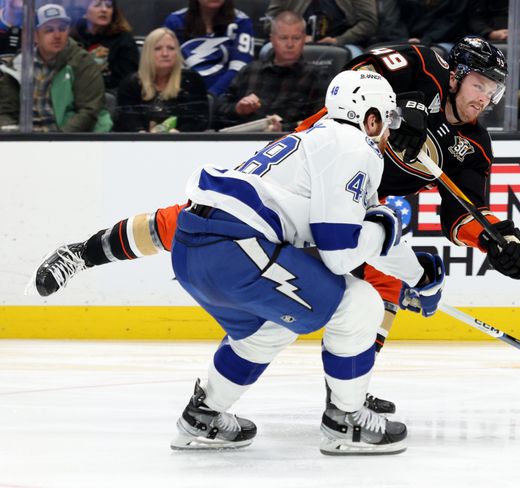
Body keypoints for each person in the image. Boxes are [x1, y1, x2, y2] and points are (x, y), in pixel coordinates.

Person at [34, 36, 520, 414]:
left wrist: (497, 241)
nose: (485, 100)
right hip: (313, 163)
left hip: (359, 198)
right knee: (193, 219)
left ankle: (348, 391)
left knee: (379, 283)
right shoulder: (421, 63)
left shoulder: (473, 144)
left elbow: (463, 215)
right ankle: (83, 251)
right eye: (480, 86)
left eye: (493, 93)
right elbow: (355, 80)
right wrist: (402, 113)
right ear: (457, 74)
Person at [168, 70, 444, 454]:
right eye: (387, 119)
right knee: (360, 303)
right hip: (236, 248)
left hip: (196, 251)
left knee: (270, 329)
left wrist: (418, 275)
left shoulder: (318, 141)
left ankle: (202, 416)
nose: (388, 133)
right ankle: (345, 422)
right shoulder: (353, 146)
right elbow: (341, 254)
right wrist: (385, 227)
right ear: (370, 117)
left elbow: (364, 229)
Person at [0, 3, 112, 132]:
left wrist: (57, 141)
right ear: (35, 36)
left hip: (67, 140)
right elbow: (5, 111)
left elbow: (88, 111)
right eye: (49, 30)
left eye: (62, 28)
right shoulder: (19, 64)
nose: (57, 35)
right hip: (27, 142)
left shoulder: (82, 61)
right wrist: (15, 138)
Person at [215, 11, 328, 131]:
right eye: (283, 38)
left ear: (304, 39)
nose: (290, 44)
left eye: (296, 38)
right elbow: (217, 115)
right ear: (272, 39)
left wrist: (284, 128)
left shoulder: (317, 77)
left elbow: (321, 123)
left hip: (292, 144)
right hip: (243, 142)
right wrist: (238, 109)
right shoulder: (249, 71)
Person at [113, 27, 209, 132]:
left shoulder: (192, 81)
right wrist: (141, 134)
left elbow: (200, 119)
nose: (165, 54)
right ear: (147, 53)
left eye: (171, 48)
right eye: (158, 49)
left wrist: (179, 133)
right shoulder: (130, 84)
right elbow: (126, 120)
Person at [164, 0, 254, 97]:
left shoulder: (241, 22)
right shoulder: (175, 21)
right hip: (182, 93)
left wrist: (212, 94)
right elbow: (165, 65)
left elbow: (239, 68)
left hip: (225, 96)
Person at [71, 0, 139, 92]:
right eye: (97, 5)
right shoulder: (72, 37)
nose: (104, 10)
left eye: (109, 6)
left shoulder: (124, 39)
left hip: (109, 94)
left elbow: (127, 79)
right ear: (85, 12)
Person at [266, 0, 377, 55]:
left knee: (354, 56)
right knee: (267, 50)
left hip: (343, 42)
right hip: (295, 40)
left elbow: (369, 23)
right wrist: (297, 37)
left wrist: (338, 40)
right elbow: (268, 22)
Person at [399, 0, 467, 48]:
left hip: (443, 41)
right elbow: (402, 18)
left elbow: (450, 23)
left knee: (431, 53)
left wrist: (426, 39)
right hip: (410, 39)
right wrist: (404, 39)